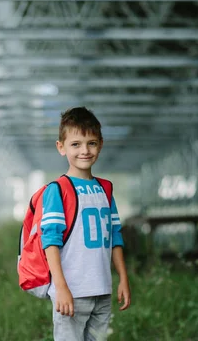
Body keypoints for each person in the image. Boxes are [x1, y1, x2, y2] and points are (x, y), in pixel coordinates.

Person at [41, 106, 131, 341]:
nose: (85, 150)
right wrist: (60, 287)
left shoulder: (105, 189)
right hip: (72, 291)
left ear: (100, 144)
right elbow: (50, 240)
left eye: (91, 143)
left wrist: (123, 278)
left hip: (102, 291)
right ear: (61, 147)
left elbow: (115, 236)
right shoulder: (58, 190)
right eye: (76, 144)